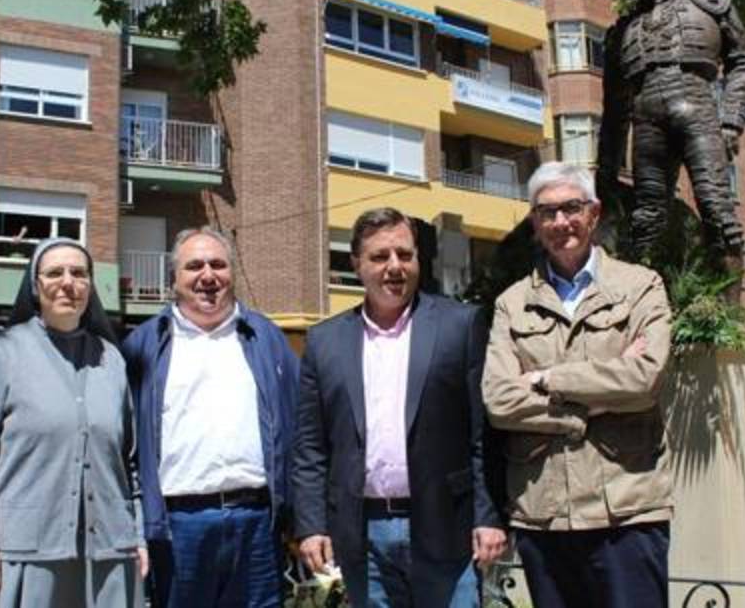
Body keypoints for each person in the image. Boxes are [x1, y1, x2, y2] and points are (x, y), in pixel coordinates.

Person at [483, 162, 673, 608]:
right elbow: (499, 399)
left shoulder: (640, 286)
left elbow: (645, 377)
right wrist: (593, 401)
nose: (560, 222)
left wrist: (549, 379)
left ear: (594, 213)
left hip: (628, 510)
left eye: (571, 207)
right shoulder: (513, 304)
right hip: (544, 516)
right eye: (546, 212)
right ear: (533, 222)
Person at [294, 207, 506, 608]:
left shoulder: (460, 326)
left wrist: (488, 516)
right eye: (379, 257)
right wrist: (311, 526)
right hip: (361, 534)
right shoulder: (324, 342)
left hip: (446, 529)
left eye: (404, 255)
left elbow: (484, 434)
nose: (395, 267)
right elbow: (310, 447)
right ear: (356, 264)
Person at [121, 227, 299, 608]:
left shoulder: (265, 337)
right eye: (194, 266)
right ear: (175, 279)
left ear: (232, 273)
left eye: (218, 264)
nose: (208, 275)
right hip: (178, 527)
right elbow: (125, 444)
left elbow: (300, 428)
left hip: (258, 523)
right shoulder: (143, 345)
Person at [0, 237, 145, 608]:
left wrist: (138, 535)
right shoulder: (3, 354)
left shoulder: (111, 360)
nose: (68, 282)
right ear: (35, 286)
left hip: (110, 552)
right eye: (54, 273)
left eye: (79, 273)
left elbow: (129, 461)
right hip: (30, 553)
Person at [596, 0, 745, 266]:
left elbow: (743, 61)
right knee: (646, 219)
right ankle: (649, 304)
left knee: (716, 207)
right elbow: (614, 107)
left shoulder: (708, 6)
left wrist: (731, 120)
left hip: (697, 109)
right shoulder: (622, 32)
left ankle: (728, 313)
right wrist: (607, 169)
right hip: (647, 122)